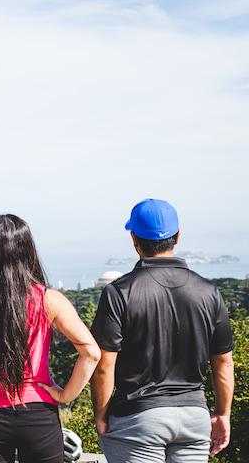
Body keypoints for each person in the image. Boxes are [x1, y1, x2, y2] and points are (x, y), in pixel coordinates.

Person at [91, 198, 235, 462]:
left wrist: (100, 415)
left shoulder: (119, 293)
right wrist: (223, 414)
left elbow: (104, 365)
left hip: (138, 418)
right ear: (178, 236)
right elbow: (223, 362)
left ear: (134, 239)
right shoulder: (209, 292)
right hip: (194, 417)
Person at [0, 214, 100, 463]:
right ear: (27, 250)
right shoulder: (48, 299)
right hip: (39, 415)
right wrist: (65, 396)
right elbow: (91, 352)